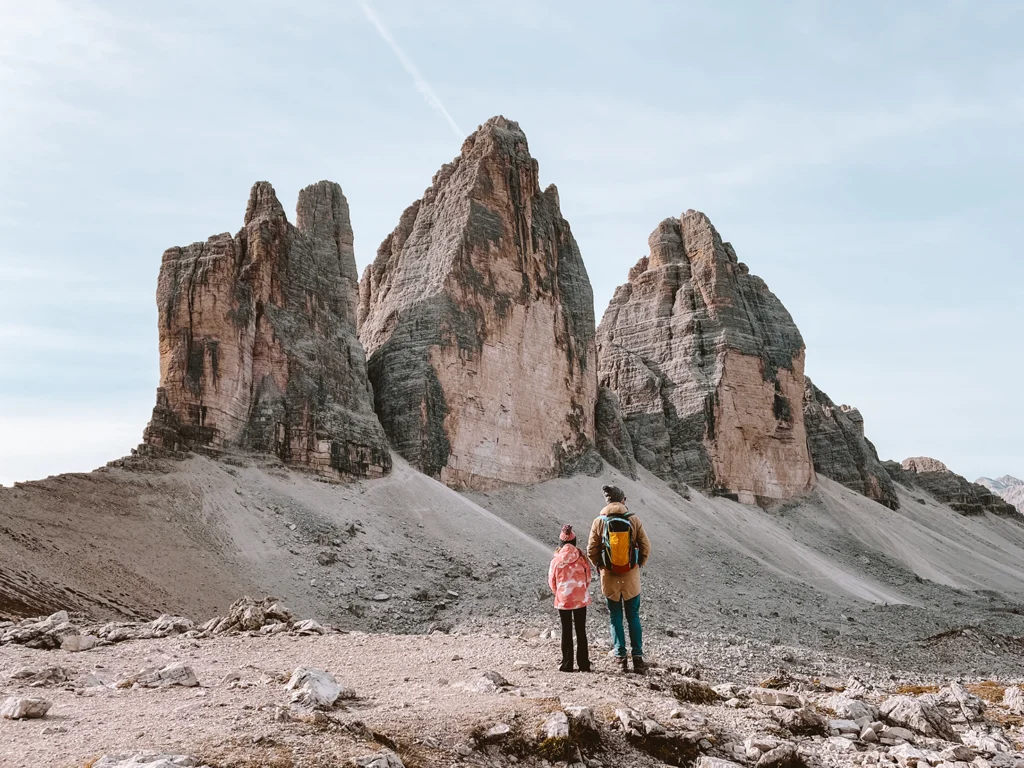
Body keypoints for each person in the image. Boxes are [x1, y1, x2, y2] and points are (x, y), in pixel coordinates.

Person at [588, 484, 651, 673]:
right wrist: (638, 564)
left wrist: (600, 567)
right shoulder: (633, 519)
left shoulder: (599, 521)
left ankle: (620, 658)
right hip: (631, 577)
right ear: (622, 500)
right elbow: (645, 546)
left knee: (615, 617)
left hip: (609, 577)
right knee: (633, 616)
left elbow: (591, 550)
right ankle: (638, 659)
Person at [548, 524, 592, 672]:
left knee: (566, 630)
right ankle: (584, 664)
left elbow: (551, 581)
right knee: (581, 630)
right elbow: (588, 578)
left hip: (563, 599)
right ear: (574, 542)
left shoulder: (556, 559)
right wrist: (581, 590)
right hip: (580, 598)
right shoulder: (581, 557)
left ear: (561, 543)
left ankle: (567, 664)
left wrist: (559, 593)